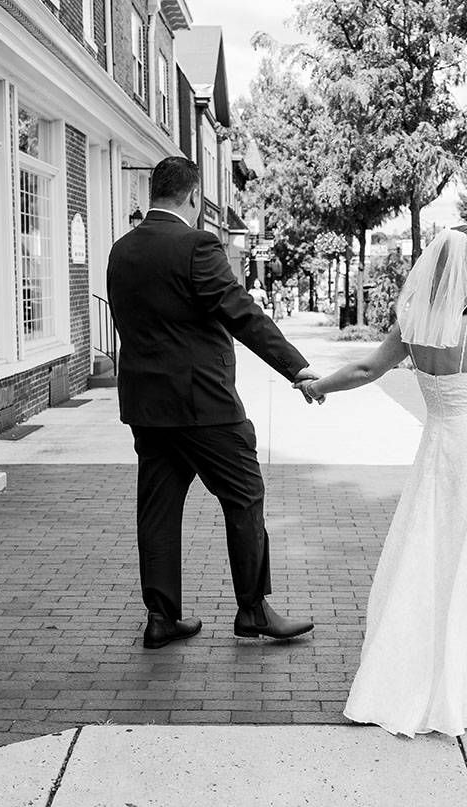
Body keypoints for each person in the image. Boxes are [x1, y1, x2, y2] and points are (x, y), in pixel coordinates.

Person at [296, 226, 467, 737]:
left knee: (433, 560)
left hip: (438, 456)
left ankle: (428, 670)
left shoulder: (416, 322)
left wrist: (319, 386)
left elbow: (365, 368)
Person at [107, 156, 319, 650]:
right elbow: (242, 314)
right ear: (194, 198)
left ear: (154, 192)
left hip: (147, 407)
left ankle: (162, 618)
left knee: (157, 512)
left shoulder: (121, 251)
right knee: (244, 495)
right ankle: (252, 610)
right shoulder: (197, 245)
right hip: (205, 406)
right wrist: (297, 367)